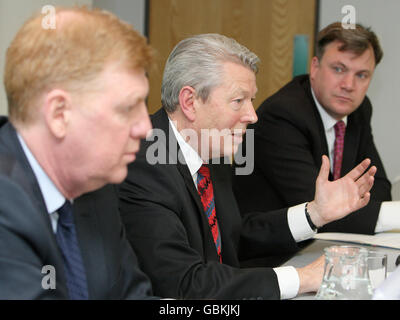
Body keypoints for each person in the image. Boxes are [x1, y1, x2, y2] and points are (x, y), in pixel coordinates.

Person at [118, 33, 376, 299]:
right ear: (190, 102)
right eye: (238, 101)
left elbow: (233, 238)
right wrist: (302, 279)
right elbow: (184, 281)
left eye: (251, 100)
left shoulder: (212, 150)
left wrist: (315, 213)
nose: (252, 115)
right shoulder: (142, 163)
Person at [0, 7, 156, 299]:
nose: (146, 129)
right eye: (127, 108)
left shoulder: (94, 188)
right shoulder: (5, 202)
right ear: (59, 114)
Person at [233, 22, 398, 235]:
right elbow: (321, 209)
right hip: (271, 251)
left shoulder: (359, 109)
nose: (348, 84)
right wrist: (393, 215)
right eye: (338, 69)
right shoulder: (283, 115)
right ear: (315, 67)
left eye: (361, 75)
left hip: (327, 241)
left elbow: (380, 188)